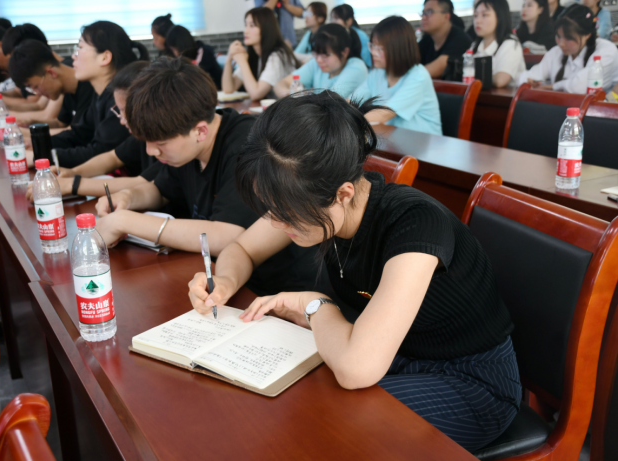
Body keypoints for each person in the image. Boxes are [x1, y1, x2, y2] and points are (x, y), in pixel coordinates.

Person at [188, 91, 522, 452]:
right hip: (393, 355)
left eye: (285, 213)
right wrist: (225, 281)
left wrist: (314, 305)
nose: (276, 222)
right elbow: (240, 248)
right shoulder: (313, 201)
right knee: (285, 410)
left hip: (469, 381)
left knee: (319, 431)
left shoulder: (416, 225)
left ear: (343, 193)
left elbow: (356, 368)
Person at [94, 58, 319, 296]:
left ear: (200, 131)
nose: (151, 151)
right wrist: (128, 198)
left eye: (160, 143)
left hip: (276, 290)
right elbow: (161, 189)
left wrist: (126, 222)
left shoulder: (247, 147)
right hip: (223, 280)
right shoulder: (187, 147)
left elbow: (227, 235)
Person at [24, 61, 161, 201]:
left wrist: (71, 184)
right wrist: (72, 173)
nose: (121, 120)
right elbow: (112, 157)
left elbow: (143, 183)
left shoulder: (166, 139)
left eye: (122, 110)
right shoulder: (100, 98)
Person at [44, 21, 149, 168]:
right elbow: (79, 134)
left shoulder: (121, 99)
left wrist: (42, 154)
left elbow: (98, 152)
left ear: (105, 57)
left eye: (80, 48)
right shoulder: (100, 94)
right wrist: (39, 145)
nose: (73, 56)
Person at [352, 17, 442, 135]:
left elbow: (383, 114)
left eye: (379, 49)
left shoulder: (418, 76)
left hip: (425, 142)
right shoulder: (378, 73)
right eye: (372, 46)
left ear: (398, 49)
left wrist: (346, 120)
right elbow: (352, 101)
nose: (373, 52)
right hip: (394, 138)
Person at [518, 4, 618, 93]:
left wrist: (551, 87)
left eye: (569, 38)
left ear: (587, 34)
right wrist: (529, 82)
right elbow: (524, 77)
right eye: (558, 36)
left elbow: (580, 86)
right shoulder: (557, 52)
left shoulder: (606, 50)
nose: (561, 44)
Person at [8, 39, 95, 132]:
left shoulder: (89, 87)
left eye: (36, 87)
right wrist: (31, 123)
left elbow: (76, 134)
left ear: (51, 73)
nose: (38, 93)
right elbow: (60, 123)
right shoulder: (68, 89)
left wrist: (25, 133)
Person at [222, 7, 299, 100]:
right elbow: (228, 89)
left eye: (252, 26)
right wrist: (229, 59)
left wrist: (242, 62)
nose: (245, 31)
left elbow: (256, 94)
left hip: (289, 106)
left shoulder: (277, 55)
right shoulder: (254, 55)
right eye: (246, 25)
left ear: (266, 28)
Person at [275, 23, 368, 98]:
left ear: (345, 52)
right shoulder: (316, 63)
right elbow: (281, 83)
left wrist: (299, 96)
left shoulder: (356, 67)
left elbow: (330, 100)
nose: (319, 60)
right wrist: (288, 93)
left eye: (325, 55)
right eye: (316, 53)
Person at [473, 0, 526, 87]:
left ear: (499, 17)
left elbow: (500, 80)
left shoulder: (511, 44)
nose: (477, 21)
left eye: (484, 15)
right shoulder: (475, 45)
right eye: (475, 15)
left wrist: (472, 76)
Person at [419, 0, 473, 78]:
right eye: (423, 13)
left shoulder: (460, 39)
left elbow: (439, 67)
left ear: (446, 16)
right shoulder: (427, 39)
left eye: (429, 12)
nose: (424, 17)